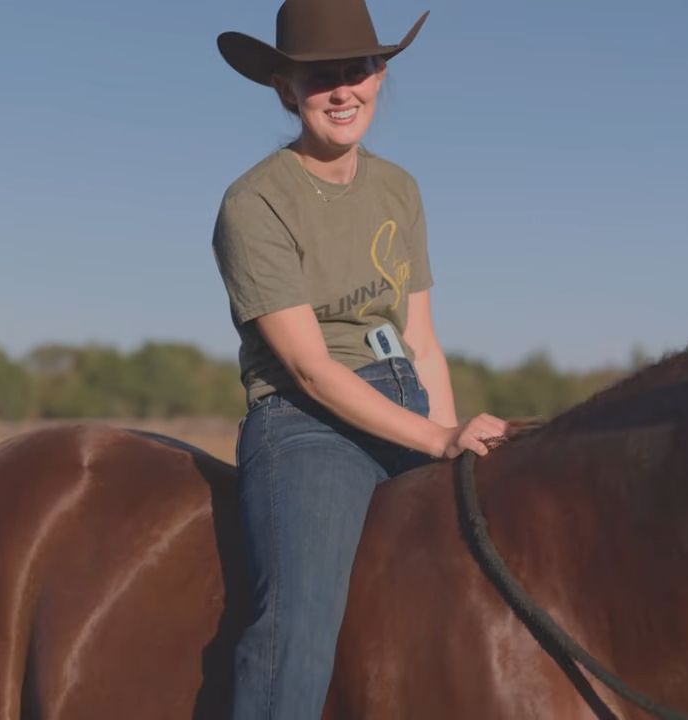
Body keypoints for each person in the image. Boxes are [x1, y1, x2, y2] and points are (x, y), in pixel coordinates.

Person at [212, 1, 508, 716]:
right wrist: (436, 439)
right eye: (320, 77)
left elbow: (422, 341)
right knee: (299, 628)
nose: (342, 90)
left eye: (358, 69)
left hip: (408, 403)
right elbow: (310, 370)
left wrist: (452, 446)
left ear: (379, 76)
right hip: (308, 424)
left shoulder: (399, 189)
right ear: (285, 90)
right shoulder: (255, 202)